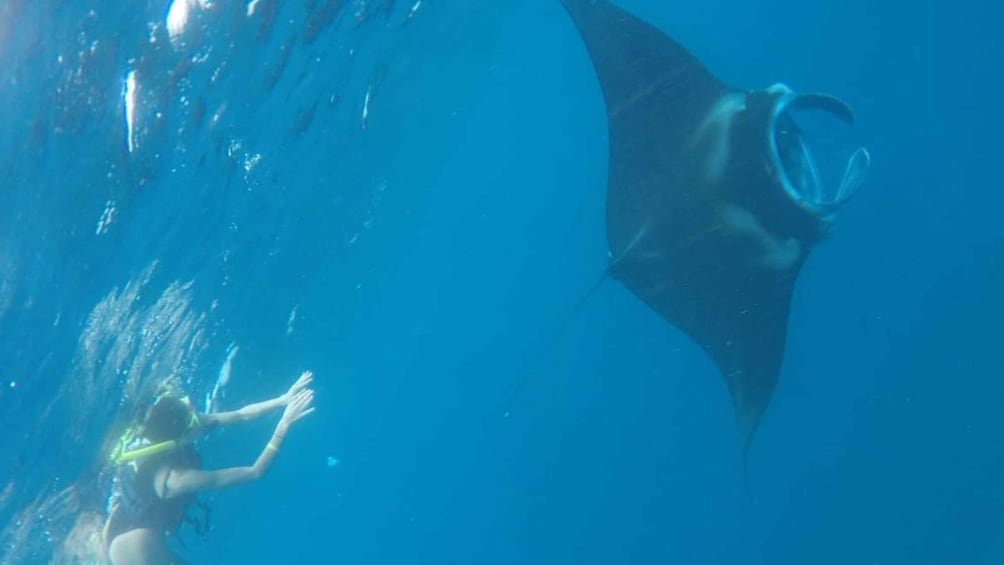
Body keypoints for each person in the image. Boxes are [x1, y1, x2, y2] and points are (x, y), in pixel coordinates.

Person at [101, 370, 316, 565]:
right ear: (181, 436)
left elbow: (241, 414)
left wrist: (282, 400)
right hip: (136, 549)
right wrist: (283, 426)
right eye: (192, 422)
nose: (199, 422)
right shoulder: (175, 479)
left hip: (120, 525)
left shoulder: (159, 434)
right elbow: (255, 472)